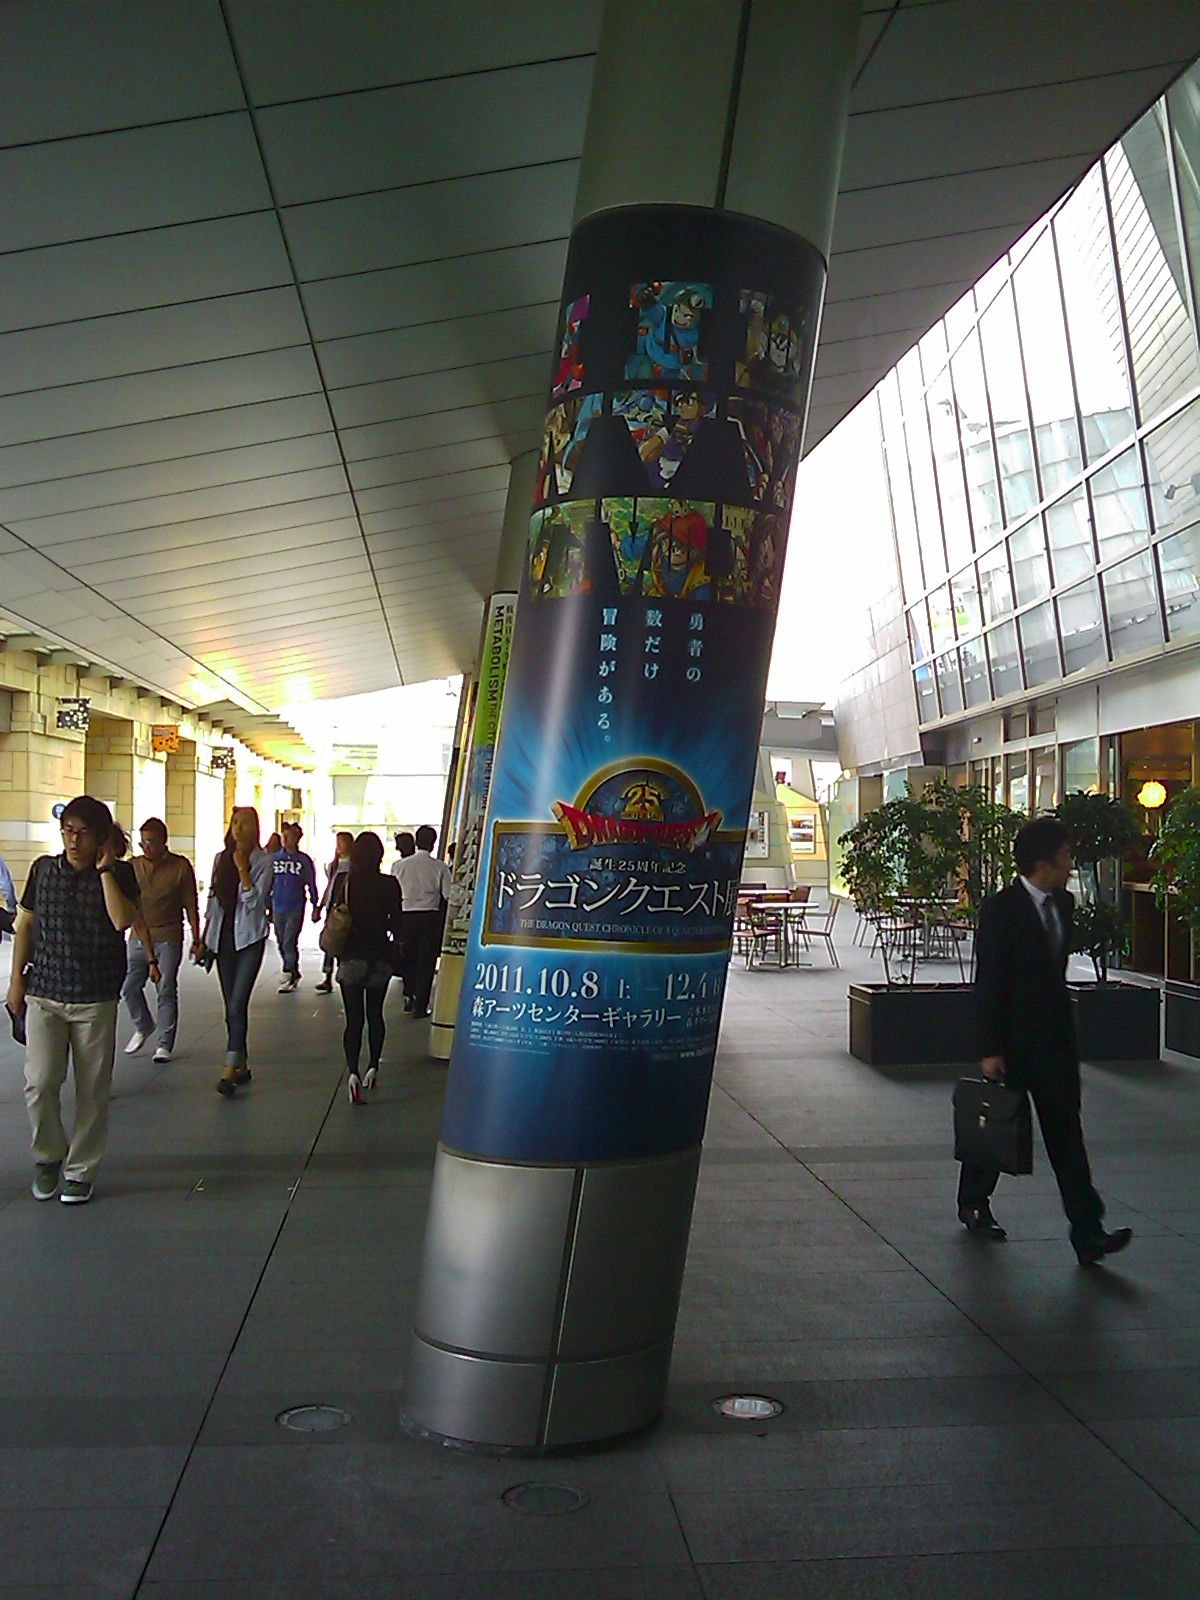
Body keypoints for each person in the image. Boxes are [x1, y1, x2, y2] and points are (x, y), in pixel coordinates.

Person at [959, 814, 1133, 1266]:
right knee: (998, 1127)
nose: (1071, 863)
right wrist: (989, 1048)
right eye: (1065, 855)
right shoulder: (1001, 909)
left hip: (1054, 1044)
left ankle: (1087, 1231)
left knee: (1067, 1137)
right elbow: (989, 982)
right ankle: (974, 1202)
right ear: (1043, 861)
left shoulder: (1065, 904)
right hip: (1012, 1045)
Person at [5, 795, 140, 1204]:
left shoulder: (121, 874)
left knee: (92, 1091)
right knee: (40, 1082)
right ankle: (48, 1156)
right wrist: (15, 982)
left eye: (82, 833)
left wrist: (105, 871)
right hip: (45, 992)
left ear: (101, 837)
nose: (73, 840)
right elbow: (26, 924)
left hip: (95, 997)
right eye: (68, 831)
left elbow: (122, 920)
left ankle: (81, 1170)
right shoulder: (43, 869)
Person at [203, 807, 273, 1097]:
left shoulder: (264, 861)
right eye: (234, 823)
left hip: (249, 939)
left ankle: (229, 1069)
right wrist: (204, 937)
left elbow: (255, 903)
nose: (238, 829)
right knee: (231, 1006)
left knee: (237, 1002)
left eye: (244, 823)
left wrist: (243, 869)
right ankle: (242, 1064)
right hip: (223, 940)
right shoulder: (220, 859)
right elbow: (213, 901)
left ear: (255, 828)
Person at [121, 817, 201, 1062]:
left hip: (168, 936)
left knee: (165, 989)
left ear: (164, 842)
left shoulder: (180, 866)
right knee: (129, 987)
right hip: (138, 935)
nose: (146, 847)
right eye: (143, 842)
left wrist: (197, 938)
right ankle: (143, 1024)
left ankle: (163, 1044)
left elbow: (191, 904)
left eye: (151, 843)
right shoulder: (133, 866)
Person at [331, 831, 402, 1103]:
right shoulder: (390, 884)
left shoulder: (345, 882)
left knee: (353, 1020)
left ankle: (352, 1073)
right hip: (379, 960)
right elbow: (397, 923)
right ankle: (373, 1067)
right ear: (379, 855)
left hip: (351, 958)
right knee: (375, 1015)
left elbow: (334, 916)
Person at [393, 824, 451, 1019]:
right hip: (429, 918)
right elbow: (448, 894)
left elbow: (394, 893)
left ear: (416, 842)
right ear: (433, 844)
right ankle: (421, 1006)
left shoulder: (399, 866)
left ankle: (409, 994)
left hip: (406, 917)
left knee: (408, 958)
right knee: (426, 963)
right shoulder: (440, 867)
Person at [271, 822, 319, 991]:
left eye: (288, 836)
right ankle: (293, 970)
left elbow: (311, 883)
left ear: (296, 839)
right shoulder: (275, 859)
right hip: (277, 904)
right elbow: (269, 881)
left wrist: (315, 904)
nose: (284, 839)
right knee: (280, 940)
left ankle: (288, 972)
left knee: (289, 940)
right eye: (283, 835)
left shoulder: (303, 860)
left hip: (295, 905)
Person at [315, 831, 354, 994]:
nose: (338, 846)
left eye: (341, 842)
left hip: (345, 907)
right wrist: (321, 905)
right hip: (332, 907)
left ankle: (341, 973)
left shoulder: (353, 865)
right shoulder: (334, 865)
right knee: (330, 941)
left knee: (342, 941)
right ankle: (328, 975)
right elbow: (329, 886)